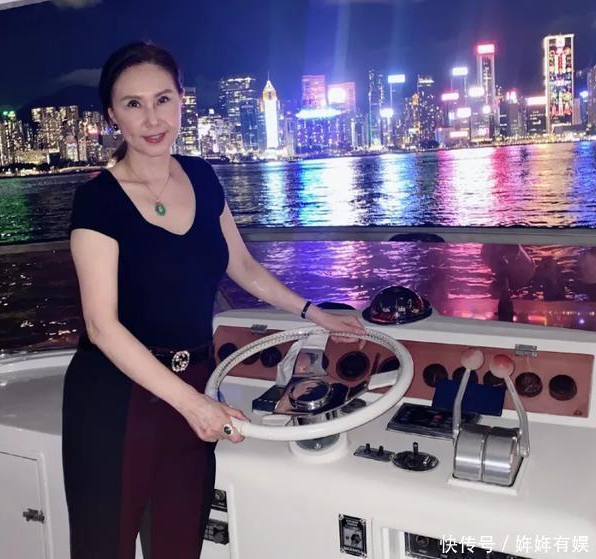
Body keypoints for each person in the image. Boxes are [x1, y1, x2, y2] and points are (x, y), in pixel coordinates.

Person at [62, 41, 365, 559]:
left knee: (180, 546)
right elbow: (102, 326)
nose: (152, 118)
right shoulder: (98, 201)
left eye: (163, 99)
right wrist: (195, 405)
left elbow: (241, 266)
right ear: (112, 115)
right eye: (133, 104)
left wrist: (314, 313)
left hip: (196, 380)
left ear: (182, 100)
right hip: (116, 398)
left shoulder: (202, 176)